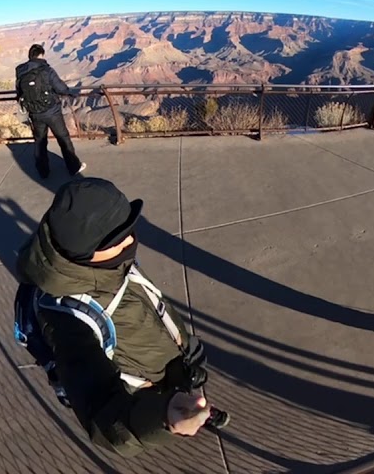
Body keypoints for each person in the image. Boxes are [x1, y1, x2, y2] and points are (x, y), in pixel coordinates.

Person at [14, 177, 228, 457]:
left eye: (128, 228)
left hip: (170, 361)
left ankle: (186, 394)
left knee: (189, 393)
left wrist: (184, 345)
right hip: (143, 389)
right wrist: (161, 418)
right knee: (179, 407)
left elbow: (148, 302)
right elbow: (102, 413)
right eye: (118, 239)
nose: (130, 240)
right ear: (88, 251)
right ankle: (176, 407)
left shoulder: (104, 265)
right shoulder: (66, 319)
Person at [16, 44, 84, 178]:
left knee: (40, 142)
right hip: (52, 112)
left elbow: (19, 91)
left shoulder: (20, 71)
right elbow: (60, 88)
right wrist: (71, 93)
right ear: (41, 54)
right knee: (63, 139)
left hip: (34, 113)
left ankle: (43, 171)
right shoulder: (47, 70)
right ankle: (73, 167)